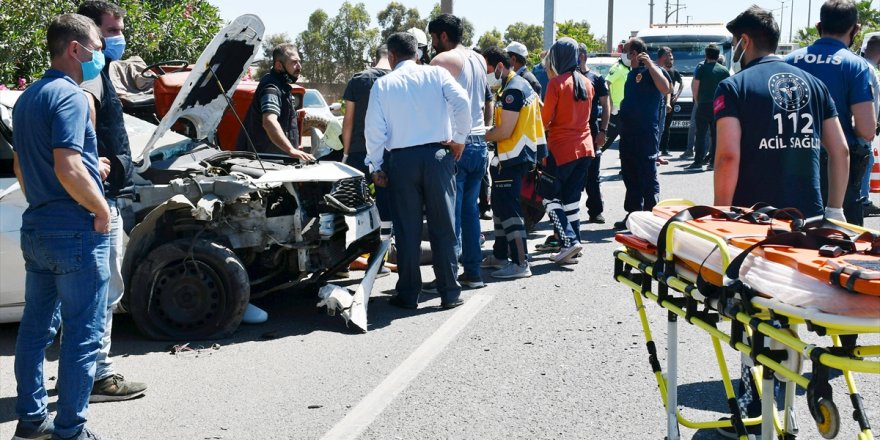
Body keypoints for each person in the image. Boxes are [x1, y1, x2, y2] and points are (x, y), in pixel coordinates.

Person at [713, 7, 850, 437]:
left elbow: (728, 155)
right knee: (790, 309)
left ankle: (756, 408)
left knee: (751, 310)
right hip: (807, 218)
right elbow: (840, 151)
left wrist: (720, 219)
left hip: (755, 222)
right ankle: (786, 403)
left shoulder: (733, 86)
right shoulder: (815, 85)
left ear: (744, 42)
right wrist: (835, 209)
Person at [12, 13, 113, 440]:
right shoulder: (71, 97)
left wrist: (87, 172)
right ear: (76, 49)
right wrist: (101, 211)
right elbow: (68, 165)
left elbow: (23, 164)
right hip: (75, 229)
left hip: (38, 226)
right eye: (98, 47)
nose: (103, 55)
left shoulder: (27, 98)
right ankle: (71, 431)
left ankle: (32, 422)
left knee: (35, 331)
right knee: (83, 335)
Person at [365, 32, 470, 310]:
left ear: (392, 56)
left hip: (401, 161)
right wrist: (459, 139)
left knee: (407, 230)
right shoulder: (437, 75)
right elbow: (462, 102)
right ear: (418, 54)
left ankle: (409, 294)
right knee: (444, 227)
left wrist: (375, 166)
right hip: (438, 157)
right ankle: (450, 293)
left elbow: (374, 130)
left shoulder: (383, 84)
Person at [76, 0, 147, 404]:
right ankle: (98, 376)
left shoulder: (98, 73)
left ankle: (82, 369)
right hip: (99, 202)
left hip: (104, 195)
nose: (118, 38)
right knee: (102, 294)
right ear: (88, 34)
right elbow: (82, 130)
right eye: (111, 31)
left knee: (94, 294)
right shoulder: (89, 80)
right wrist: (96, 172)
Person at [786, 0, 877, 226]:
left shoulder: (788, 61)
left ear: (819, 26)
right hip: (837, 173)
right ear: (855, 29)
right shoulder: (856, 66)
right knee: (842, 247)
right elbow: (866, 130)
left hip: (788, 162)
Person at [428, 13, 490, 289]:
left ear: (442, 36)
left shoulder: (443, 60)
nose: (432, 45)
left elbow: (428, 101)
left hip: (456, 143)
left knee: (448, 215)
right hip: (479, 142)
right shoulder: (478, 58)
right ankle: (473, 272)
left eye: (433, 38)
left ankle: (448, 276)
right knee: (470, 212)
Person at [481, 47, 545, 278]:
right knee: (499, 206)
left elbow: (505, 131)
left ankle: (520, 263)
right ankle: (500, 255)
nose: (486, 75)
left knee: (510, 211)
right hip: (506, 158)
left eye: (487, 69)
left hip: (513, 158)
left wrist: (477, 133)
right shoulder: (509, 87)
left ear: (499, 66)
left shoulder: (514, 89)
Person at [539, 37, 594, 264]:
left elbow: (544, 120)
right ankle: (574, 244)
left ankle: (569, 241)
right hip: (586, 148)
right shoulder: (587, 82)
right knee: (571, 200)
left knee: (548, 196)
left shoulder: (556, 83)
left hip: (561, 150)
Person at [614, 38, 671, 230]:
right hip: (628, 133)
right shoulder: (632, 74)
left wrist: (650, 65)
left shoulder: (654, 71)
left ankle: (652, 217)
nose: (624, 55)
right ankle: (633, 215)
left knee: (647, 175)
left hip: (646, 133)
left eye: (627, 51)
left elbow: (665, 88)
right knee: (630, 175)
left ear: (635, 53)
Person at [237, 43, 314, 161]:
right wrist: (290, 150)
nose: (299, 67)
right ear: (279, 65)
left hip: (277, 161)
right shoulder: (271, 88)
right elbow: (269, 121)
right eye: (294, 62)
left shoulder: (282, 87)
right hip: (267, 163)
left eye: (299, 62)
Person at [578, 43, 610, 224]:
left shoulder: (596, 79)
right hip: (573, 134)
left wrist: (603, 131)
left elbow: (606, 106)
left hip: (592, 132)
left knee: (592, 175)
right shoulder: (566, 77)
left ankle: (595, 211)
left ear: (582, 56)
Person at [686, 43, 730, 171]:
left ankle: (698, 162)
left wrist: (697, 102)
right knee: (716, 135)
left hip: (704, 104)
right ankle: (713, 162)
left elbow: (695, 87)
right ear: (718, 55)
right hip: (718, 106)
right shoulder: (724, 70)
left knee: (700, 134)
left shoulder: (701, 67)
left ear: (706, 55)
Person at [860, 34, 880, 216]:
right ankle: (863, 201)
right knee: (866, 162)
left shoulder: (860, 65)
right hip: (862, 127)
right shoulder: (869, 69)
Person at [658, 47, 683, 156]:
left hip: (669, 103)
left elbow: (680, 84)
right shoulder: (658, 70)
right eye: (669, 57)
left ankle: (665, 148)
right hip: (658, 101)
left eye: (672, 58)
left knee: (666, 127)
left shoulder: (674, 72)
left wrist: (676, 95)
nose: (671, 60)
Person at [604, 50, 631, 149]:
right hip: (616, 111)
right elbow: (606, 84)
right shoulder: (617, 68)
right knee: (606, 141)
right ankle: (591, 161)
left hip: (624, 110)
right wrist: (610, 104)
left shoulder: (627, 68)